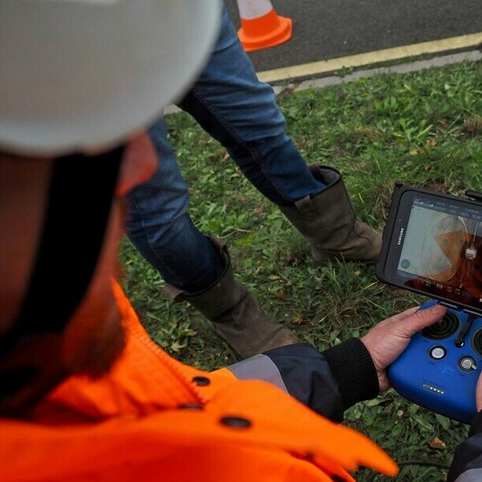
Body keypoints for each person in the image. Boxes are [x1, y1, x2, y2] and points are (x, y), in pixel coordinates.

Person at [0, 1, 482, 482]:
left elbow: (166, 414)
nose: (139, 162)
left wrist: (342, 370)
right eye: (60, 154)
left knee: (256, 129)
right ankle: (230, 310)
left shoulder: (35, 371)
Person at [125, 5, 380, 357]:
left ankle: (339, 238)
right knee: (155, 202)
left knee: (257, 123)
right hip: (78, 34)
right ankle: (232, 313)